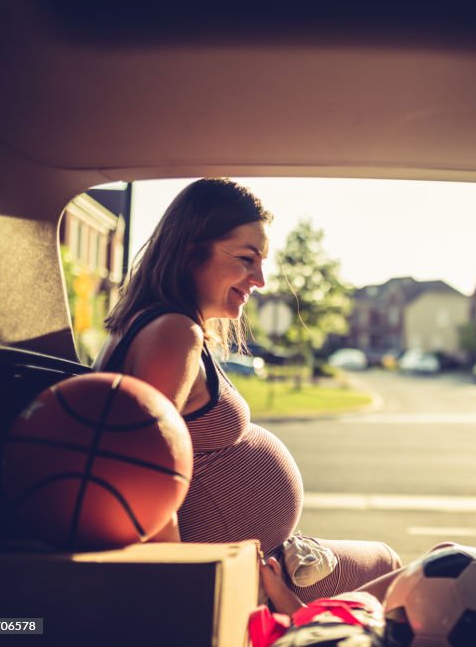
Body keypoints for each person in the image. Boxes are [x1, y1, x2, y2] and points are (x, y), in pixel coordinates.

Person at [93, 178, 400, 603]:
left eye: (262, 261)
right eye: (246, 258)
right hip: (234, 576)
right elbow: (142, 471)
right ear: (189, 251)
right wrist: (177, 588)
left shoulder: (153, 324)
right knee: (393, 571)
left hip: (261, 560)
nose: (260, 278)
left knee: (392, 568)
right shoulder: (173, 332)